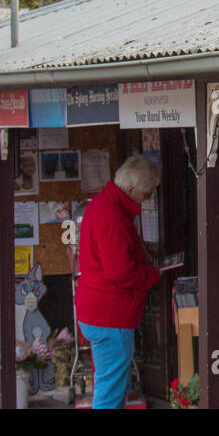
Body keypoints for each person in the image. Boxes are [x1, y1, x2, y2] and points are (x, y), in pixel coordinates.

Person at [74, 154, 160, 408]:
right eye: (146, 194)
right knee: (110, 393)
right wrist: (153, 274)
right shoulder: (111, 215)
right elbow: (121, 273)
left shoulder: (104, 205)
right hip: (109, 315)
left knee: (109, 384)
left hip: (98, 311)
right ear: (131, 189)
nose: (147, 199)